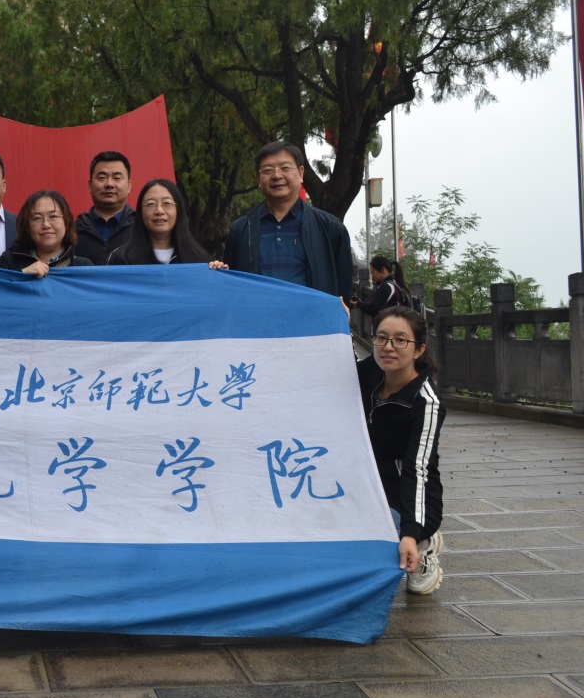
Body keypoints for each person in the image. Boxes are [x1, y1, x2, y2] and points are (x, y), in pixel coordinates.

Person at [357, 305, 445, 595]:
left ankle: (423, 541)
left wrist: (410, 531)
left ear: (419, 349)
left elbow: (417, 471)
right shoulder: (367, 374)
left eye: (400, 340)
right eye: (381, 337)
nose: (388, 347)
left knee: (386, 543)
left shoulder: (425, 403)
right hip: (365, 482)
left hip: (404, 491)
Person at [223, 141, 354, 301]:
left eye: (285, 168)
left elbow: (343, 289)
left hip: (311, 316)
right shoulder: (242, 229)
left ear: (300, 173)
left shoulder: (330, 228)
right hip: (257, 315)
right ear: (258, 178)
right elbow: (230, 283)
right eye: (268, 170)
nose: (277, 176)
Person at [106, 179, 225, 268]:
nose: (159, 211)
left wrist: (218, 272)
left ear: (178, 210)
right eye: (150, 204)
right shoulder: (121, 258)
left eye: (167, 204)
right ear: (140, 212)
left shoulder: (198, 259)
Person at [0, 190, 93, 275]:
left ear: (66, 222)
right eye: (37, 218)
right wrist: (22, 274)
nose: (46, 225)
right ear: (27, 225)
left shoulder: (83, 266)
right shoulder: (8, 261)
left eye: (53, 216)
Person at [74, 151, 137, 264]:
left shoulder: (142, 228)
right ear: (90, 185)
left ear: (129, 185)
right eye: (102, 178)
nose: (109, 184)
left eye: (117, 178)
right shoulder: (72, 231)